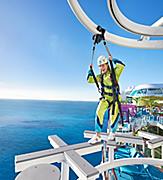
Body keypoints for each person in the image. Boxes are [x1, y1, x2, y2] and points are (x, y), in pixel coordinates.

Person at [87, 55, 125, 144]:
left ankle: (112, 132)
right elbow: (90, 80)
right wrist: (90, 70)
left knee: (114, 114)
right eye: (100, 66)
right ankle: (97, 135)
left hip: (115, 98)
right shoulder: (100, 77)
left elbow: (121, 66)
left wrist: (113, 59)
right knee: (99, 111)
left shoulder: (114, 73)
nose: (102, 67)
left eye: (103, 65)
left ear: (107, 65)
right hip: (106, 98)